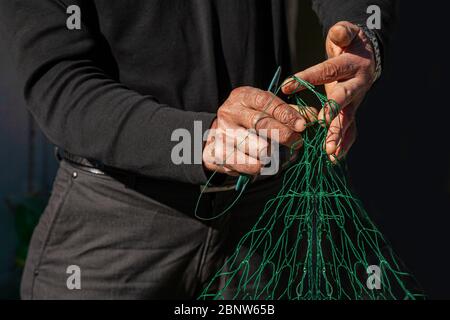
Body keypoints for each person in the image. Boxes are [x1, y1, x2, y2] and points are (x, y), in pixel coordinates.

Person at [0, 0, 394, 299]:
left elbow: (362, 20)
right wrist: (199, 139)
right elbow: (62, 87)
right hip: (118, 216)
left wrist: (361, 37)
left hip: (259, 216)